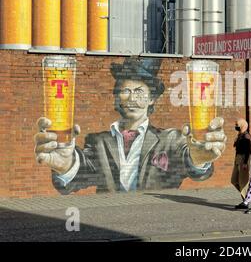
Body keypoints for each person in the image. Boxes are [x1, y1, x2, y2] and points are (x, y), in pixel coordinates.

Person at [34, 58, 227, 194]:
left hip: (158, 218)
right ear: (117, 97)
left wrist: (200, 160)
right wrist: (66, 165)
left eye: (139, 91)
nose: (133, 98)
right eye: (126, 90)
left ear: (152, 99)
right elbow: (82, 173)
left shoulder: (170, 139)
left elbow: (189, 159)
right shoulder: (99, 141)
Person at [232, 119, 251, 210]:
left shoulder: (246, 136)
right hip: (238, 159)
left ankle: (246, 201)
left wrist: (245, 163)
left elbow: (248, 151)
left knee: (242, 181)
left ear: (243, 125)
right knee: (234, 180)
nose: (236, 126)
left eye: (238, 125)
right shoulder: (240, 135)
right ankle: (247, 198)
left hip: (244, 160)